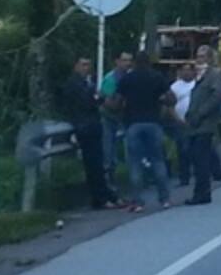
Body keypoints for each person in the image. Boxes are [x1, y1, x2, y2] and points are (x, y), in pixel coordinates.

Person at [111, 51, 175, 214]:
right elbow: (171, 98)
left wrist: (117, 109)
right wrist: (160, 101)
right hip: (153, 123)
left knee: (135, 163)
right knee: (158, 160)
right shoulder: (157, 77)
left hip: (133, 124)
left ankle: (138, 202)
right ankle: (165, 199)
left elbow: (117, 102)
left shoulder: (127, 79)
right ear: (149, 62)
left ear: (134, 63)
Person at [60, 57, 122, 210]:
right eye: (83, 65)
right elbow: (87, 102)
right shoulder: (74, 84)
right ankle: (100, 198)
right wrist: (97, 98)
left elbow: (96, 100)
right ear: (76, 66)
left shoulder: (88, 82)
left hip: (92, 124)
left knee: (99, 163)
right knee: (93, 164)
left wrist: (97, 98)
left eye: (88, 64)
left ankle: (107, 195)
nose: (86, 68)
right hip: (84, 126)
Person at [185, 45, 221, 205]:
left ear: (209, 58)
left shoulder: (214, 74)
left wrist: (201, 113)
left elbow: (216, 96)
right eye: (198, 56)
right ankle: (201, 191)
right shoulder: (198, 75)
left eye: (202, 56)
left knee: (201, 158)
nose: (199, 59)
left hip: (205, 124)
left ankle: (202, 193)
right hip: (194, 124)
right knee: (195, 157)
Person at [99, 51, 133, 192]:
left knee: (130, 148)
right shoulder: (111, 79)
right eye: (124, 60)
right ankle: (109, 180)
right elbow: (107, 102)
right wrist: (122, 103)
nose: (127, 63)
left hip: (125, 118)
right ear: (117, 61)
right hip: (109, 118)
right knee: (109, 150)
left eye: (129, 60)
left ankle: (132, 179)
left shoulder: (130, 77)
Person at [164, 62, 196, 187]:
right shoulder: (174, 87)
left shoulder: (197, 85)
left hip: (196, 122)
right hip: (180, 123)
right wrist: (177, 119)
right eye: (184, 70)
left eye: (189, 70)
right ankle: (184, 177)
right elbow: (169, 106)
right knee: (183, 150)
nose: (186, 72)